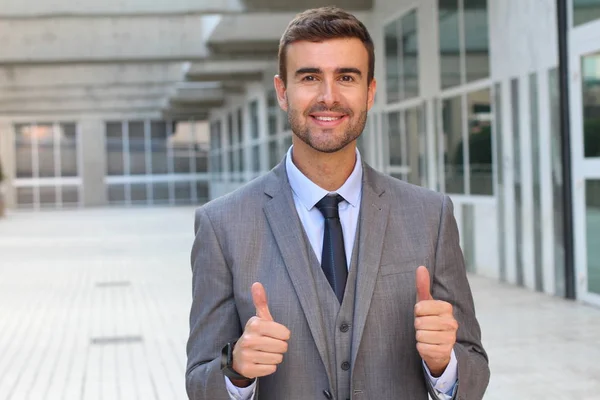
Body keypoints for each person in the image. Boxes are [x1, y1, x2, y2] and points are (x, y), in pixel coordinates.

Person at [186, 6, 489, 400]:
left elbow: (475, 367)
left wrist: (443, 366)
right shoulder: (222, 225)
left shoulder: (430, 216)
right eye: (310, 77)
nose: (328, 97)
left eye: (346, 77)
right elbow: (199, 382)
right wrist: (238, 370)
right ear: (283, 91)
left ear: (370, 92)